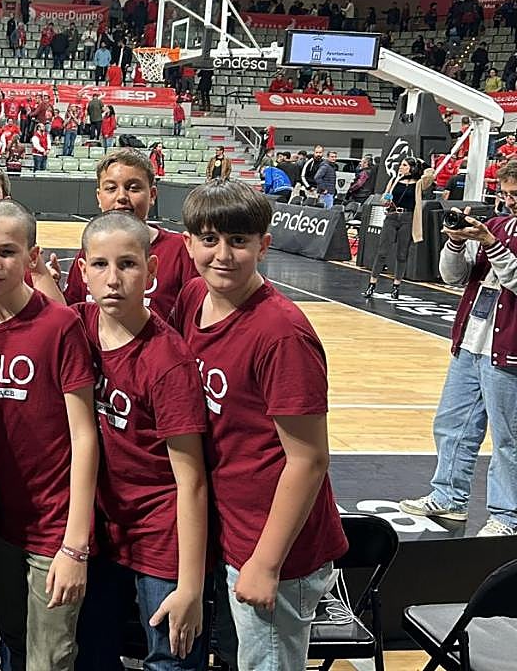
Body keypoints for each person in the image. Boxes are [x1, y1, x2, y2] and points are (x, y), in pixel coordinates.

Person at [173, 181, 348, 671]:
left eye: (239, 241)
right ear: (187, 243)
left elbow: (309, 460)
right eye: (209, 240)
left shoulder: (281, 334)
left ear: (263, 245)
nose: (223, 255)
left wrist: (267, 562)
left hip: (274, 547)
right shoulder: (194, 297)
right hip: (229, 528)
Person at [0, 201, 97, 671]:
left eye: (8, 252)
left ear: (32, 257)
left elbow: (84, 436)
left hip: (53, 528)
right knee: (14, 642)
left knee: (48, 658)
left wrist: (75, 542)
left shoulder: (60, 325)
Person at [73, 211, 209, 671]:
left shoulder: (168, 362)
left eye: (128, 264)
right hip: (103, 529)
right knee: (91, 654)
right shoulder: (78, 326)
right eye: (100, 265)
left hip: (161, 535)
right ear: (83, 270)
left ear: (151, 270)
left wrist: (190, 585)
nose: (113, 279)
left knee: (171, 661)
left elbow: (191, 480)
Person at [398, 162, 517, 536]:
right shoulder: (497, 225)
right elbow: (454, 276)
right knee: (452, 425)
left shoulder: (493, 234)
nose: (509, 201)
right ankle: (449, 497)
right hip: (471, 343)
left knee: (508, 439)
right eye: (505, 193)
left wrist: (490, 244)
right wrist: (456, 242)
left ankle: (508, 516)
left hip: (509, 350)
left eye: (515, 194)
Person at [61, 149, 199, 319]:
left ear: (152, 195)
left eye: (133, 188)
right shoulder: (91, 250)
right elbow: (72, 316)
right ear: (99, 197)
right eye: (111, 188)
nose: (121, 196)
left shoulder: (179, 251)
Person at [363, 157, 436, 299]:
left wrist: (422, 163)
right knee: (382, 252)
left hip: (407, 218)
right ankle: (372, 284)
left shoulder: (419, 183)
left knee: (402, 254)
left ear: (412, 168)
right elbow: (384, 198)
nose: (400, 167)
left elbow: (430, 174)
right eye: (401, 165)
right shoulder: (394, 180)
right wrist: (386, 199)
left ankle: (396, 286)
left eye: (404, 165)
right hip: (392, 217)